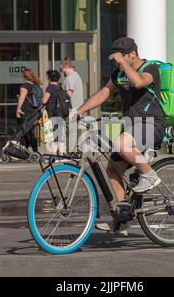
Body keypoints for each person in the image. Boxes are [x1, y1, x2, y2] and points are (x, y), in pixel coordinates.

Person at [70, 37, 166, 236]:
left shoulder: (150, 69)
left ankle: (150, 175)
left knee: (122, 143)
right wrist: (79, 111)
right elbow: (104, 93)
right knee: (112, 169)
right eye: (114, 61)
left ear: (132, 54)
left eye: (119, 59)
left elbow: (139, 83)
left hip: (152, 125)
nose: (116, 63)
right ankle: (122, 218)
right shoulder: (119, 74)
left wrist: (122, 63)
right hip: (132, 127)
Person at [16, 68, 42, 153]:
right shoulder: (35, 86)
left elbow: (22, 98)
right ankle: (33, 150)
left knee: (25, 130)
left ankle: (26, 149)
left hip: (26, 111)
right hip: (35, 112)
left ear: (24, 76)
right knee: (29, 131)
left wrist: (18, 109)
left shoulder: (24, 86)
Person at [42, 70, 66, 155]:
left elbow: (44, 101)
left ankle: (54, 153)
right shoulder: (61, 88)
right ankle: (62, 152)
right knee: (60, 133)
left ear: (49, 78)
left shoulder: (50, 88)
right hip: (61, 114)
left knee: (52, 134)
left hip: (52, 114)